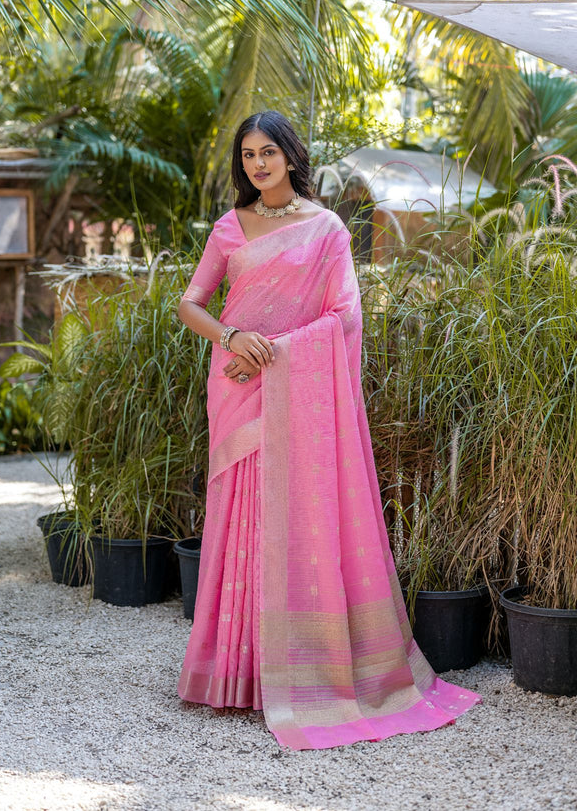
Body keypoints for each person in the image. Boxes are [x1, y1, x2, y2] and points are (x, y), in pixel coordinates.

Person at [177, 110, 481, 750]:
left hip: (288, 379)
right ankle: (238, 673)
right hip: (236, 381)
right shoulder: (231, 227)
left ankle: (304, 670)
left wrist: (278, 350)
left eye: (268, 153)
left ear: (291, 156)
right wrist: (235, 337)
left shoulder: (327, 229)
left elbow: (344, 319)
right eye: (248, 155)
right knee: (242, 518)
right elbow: (191, 303)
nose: (257, 164)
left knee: (297, 516)